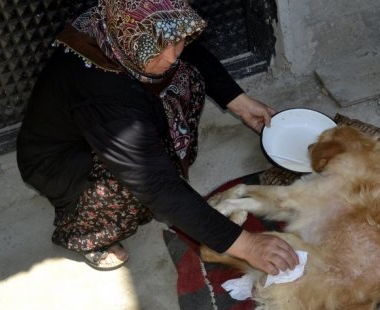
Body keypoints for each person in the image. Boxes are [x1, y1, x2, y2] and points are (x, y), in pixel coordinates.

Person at [16, 0, 298, 273]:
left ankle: (158, 149)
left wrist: (238, 101)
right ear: (127, 39)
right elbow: (156, 185)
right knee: (127, 191)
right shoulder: (106, 97)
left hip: (106, 124)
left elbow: (191, 53)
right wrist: (246, 244)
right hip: (61, 161)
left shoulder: (124, 25)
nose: (172, 55)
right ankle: (83, 233)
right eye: (158, 50)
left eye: (176, 41)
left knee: (182, 72)